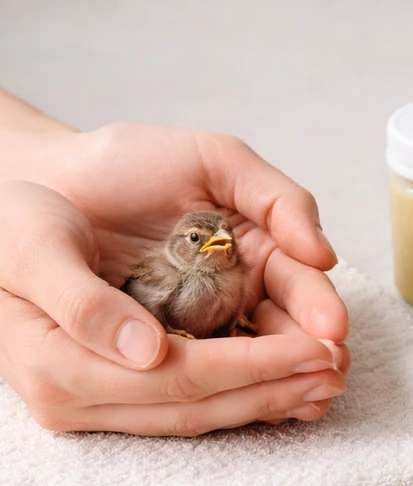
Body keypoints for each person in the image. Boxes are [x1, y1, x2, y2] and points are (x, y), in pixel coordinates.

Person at [0, 88, 351, 436]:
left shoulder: (239, 273)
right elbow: (139, 298)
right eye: (198, 239)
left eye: (224, 237)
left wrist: (42, 155)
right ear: (180, 246)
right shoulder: (166, 272)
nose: (219, 243)